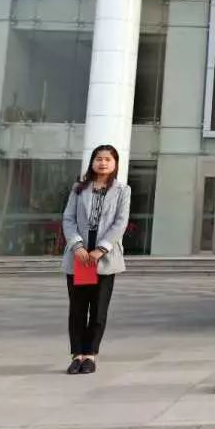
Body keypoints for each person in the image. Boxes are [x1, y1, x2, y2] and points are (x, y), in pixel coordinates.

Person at [61, 145, 131, 375]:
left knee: (99, 310)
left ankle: (90, 354)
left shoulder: (122, 190)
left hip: (103, 258)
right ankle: (77, 355)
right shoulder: (79, 189)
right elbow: (68, 219)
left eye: (108, 159)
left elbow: (120, 222)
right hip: (80, 258)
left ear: (115, 164)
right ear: (92, 162)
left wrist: (101, 249)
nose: (103, 163)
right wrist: (77, 246)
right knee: (78, 309)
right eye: (99, 159)